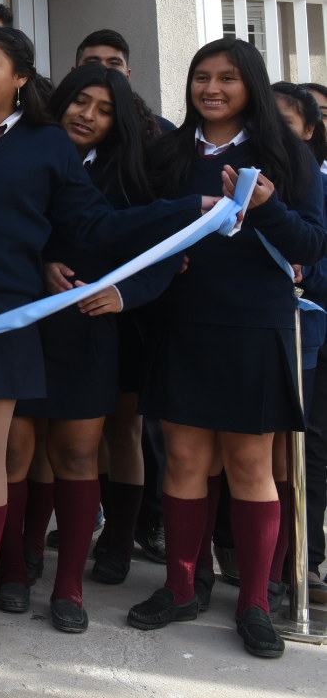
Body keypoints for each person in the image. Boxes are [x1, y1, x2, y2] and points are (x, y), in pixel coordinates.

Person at [0, 26, 207, 644]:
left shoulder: (47, 144)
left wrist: (190, 209)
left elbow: (97, 225)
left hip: (2, 315)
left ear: (20, 78)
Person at [128, 38, 325, 659]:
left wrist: (266, 208)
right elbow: (141, 223)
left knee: (249, 466)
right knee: (184, 461)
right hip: (182, 321)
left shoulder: (285, 154)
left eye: (227, 79)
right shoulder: (167, 153)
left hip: (254, 325)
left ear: (252, 86)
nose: (211, 89)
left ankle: (256, 603)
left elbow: (310, 244)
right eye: (201, 77)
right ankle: (182, 586)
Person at [0, 64, 176, 634]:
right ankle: (16, 565)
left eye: (104, 110)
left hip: (89, 330)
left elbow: (166, 251)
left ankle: (69, 585)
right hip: (23, 323)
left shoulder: (132, 175)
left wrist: (125, 295)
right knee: (15, 453)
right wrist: (41, 264)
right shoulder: (23, 152)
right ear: (61, 102)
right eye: (81, 102)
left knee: (77, 455)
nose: (88, 116)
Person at [271, 81, 327, 608]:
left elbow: (314, 250)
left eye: (286, 124)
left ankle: (299, 565)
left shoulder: (314, 183)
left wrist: (305, 273)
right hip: (254, 330)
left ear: (310, 131)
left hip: (306, 337)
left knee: (302, 456)